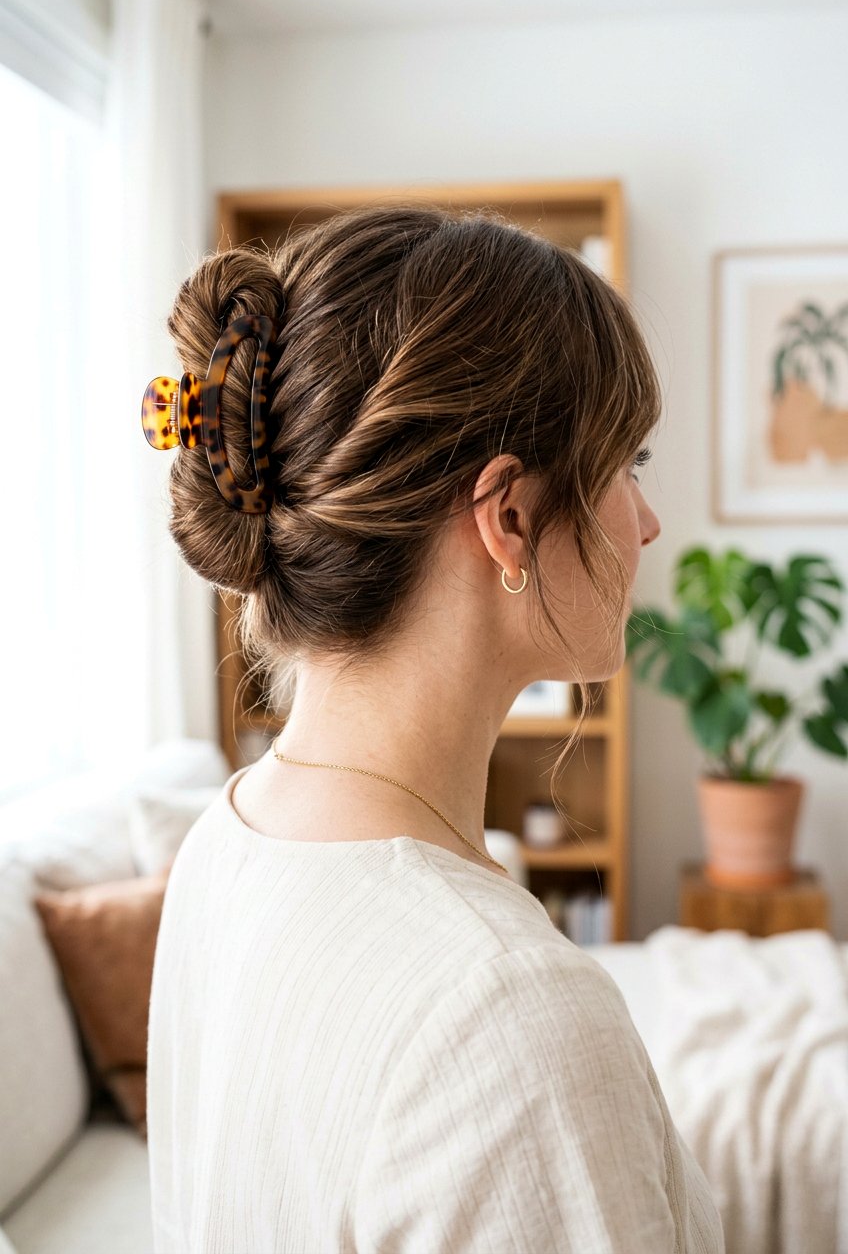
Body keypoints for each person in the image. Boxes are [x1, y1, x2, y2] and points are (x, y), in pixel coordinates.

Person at [146, 203, 724, 1252]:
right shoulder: (511, 1020)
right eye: (626, 466)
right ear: (506, 515)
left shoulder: (222, 840)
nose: (644, 523)